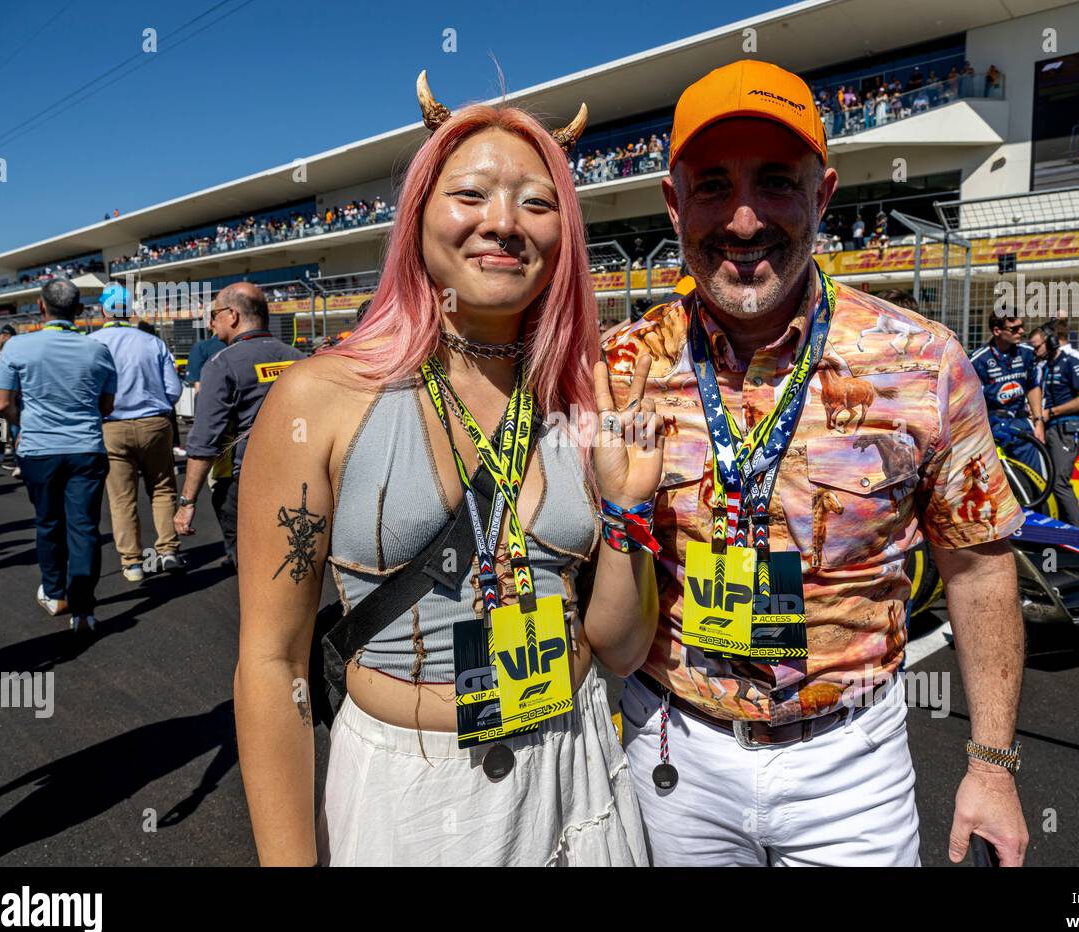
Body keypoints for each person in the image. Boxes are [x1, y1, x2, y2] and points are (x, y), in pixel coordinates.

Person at [603, 59, 1029, 866]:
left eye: (775, 182)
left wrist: (993, 766)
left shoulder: (925, 362)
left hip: (850, 767)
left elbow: (978, 572)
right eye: (711, 186)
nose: (742, 219)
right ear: (671, 201)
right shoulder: (617, 366)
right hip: (672, 751)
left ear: (823, 195)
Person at [234, 74, 662, 867]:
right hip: (409, 795)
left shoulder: (584, 399)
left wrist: (628, 512)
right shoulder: (320, 398)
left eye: (537, 203)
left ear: (565, 234)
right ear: (418, 215)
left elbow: (622, 646)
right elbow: (271, 663)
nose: (503, 224)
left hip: (577, 773)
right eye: (472, 194)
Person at [0, 279, 118, 635]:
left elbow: (2, 404)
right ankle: (84, 610)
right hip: (86, 448)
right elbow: (107, 406)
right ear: (79, 311)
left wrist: (26, 421)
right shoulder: (97, 350)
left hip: (39, 449)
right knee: (84, 528)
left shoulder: (17, 346)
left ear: (40, 306)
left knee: (48, 522)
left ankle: (54, 592)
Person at [175, 283, 303, 569]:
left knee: (251, 567)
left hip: (247, 484)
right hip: (301, 478)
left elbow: (204, 440)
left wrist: (187, 501)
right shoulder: (298, 359)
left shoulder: (222, 364)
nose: (211, 322)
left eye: (214, 314)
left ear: (232, 315)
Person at [90, 284, 185, 582]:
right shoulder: (152, 342)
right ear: (130, 310)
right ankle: (168, 550)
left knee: (121, 498)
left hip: (111, 426)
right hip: (154, 423)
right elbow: (173, 389)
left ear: (103, 310)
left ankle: (132, 562)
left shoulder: (91, 343)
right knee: (162, 488)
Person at [1029, 324, 1079, 526]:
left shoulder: (1070, 362)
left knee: (1059, 482)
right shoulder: (1046, 366)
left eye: (1037, 346)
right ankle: (1058, 527)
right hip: (1051, 428)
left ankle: (1076, 535)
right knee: (1048, 479)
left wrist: (1051, 412)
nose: (1034, 351)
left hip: (1066, 429)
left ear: (1051, 342)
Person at [972, 312, 1045, 475]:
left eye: (1022, 327)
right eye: (1014, 328)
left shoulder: (1027, 353)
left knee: (1036, 479)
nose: (1021, 332)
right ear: (997, 331)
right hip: (993, 427)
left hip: (1021, 425)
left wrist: (1039, 422)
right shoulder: (978, 360)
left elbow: (1033, 386)